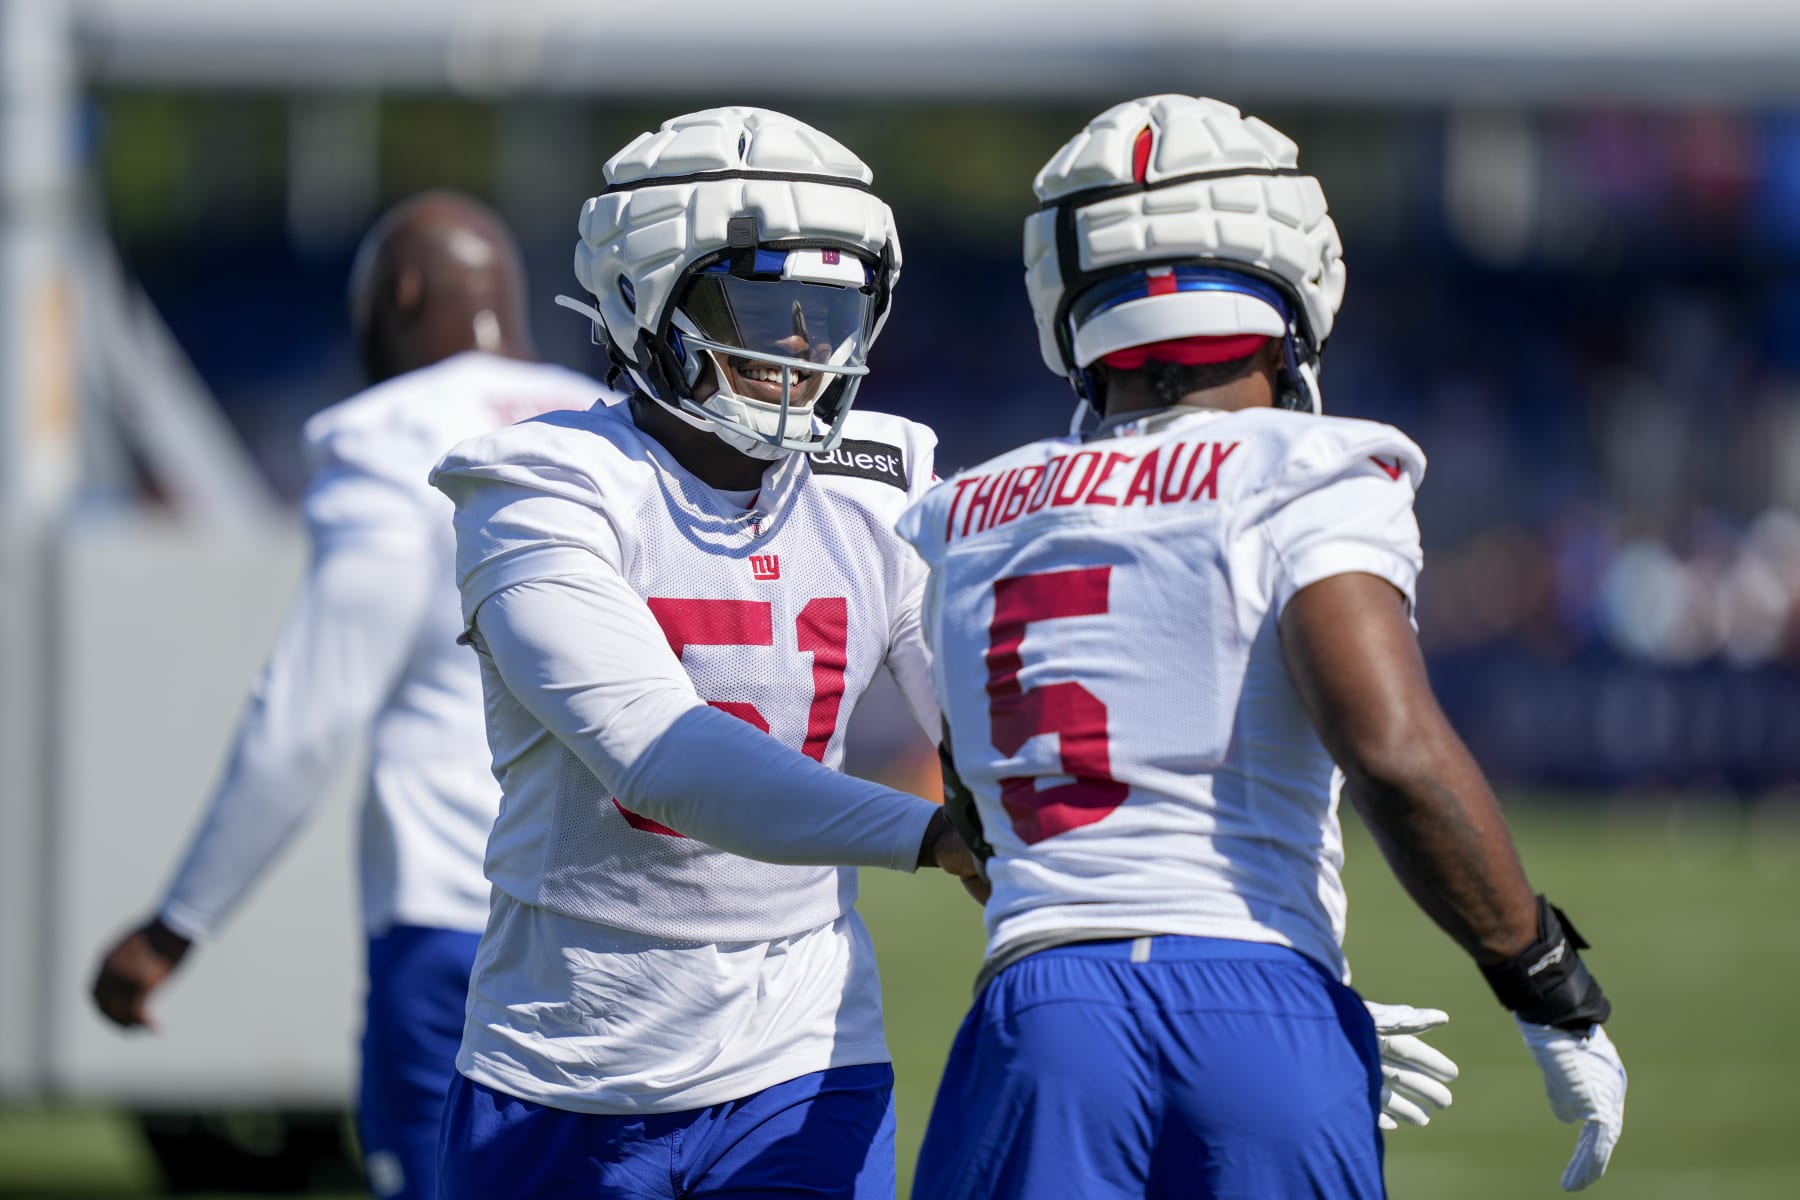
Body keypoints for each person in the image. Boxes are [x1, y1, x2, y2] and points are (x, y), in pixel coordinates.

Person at [897, 95, 1627, 1199]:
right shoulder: (1313, 467)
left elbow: (985, 823)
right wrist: (1545, 981)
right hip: (1261, 1011)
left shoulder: (965, 512)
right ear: (1293, 267)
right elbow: (1391, 750)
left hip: (1039, 1011)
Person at [426, 107, 977, 1200]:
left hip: (805, 1057)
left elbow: (995, 733)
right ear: (643, 295)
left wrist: (1228, 947)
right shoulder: (539, 486)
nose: (807, 343)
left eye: (833, 307)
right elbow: (661, 758)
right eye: (763, 303)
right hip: (567, 1060)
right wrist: (928, 836)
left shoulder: (883, 479)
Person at [89, 192, 611, 1200]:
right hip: (624, 939)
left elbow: (305, 720)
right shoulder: (611, 429)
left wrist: (173, 928)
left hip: (458, 937)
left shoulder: (390, 436)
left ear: (403, 294)